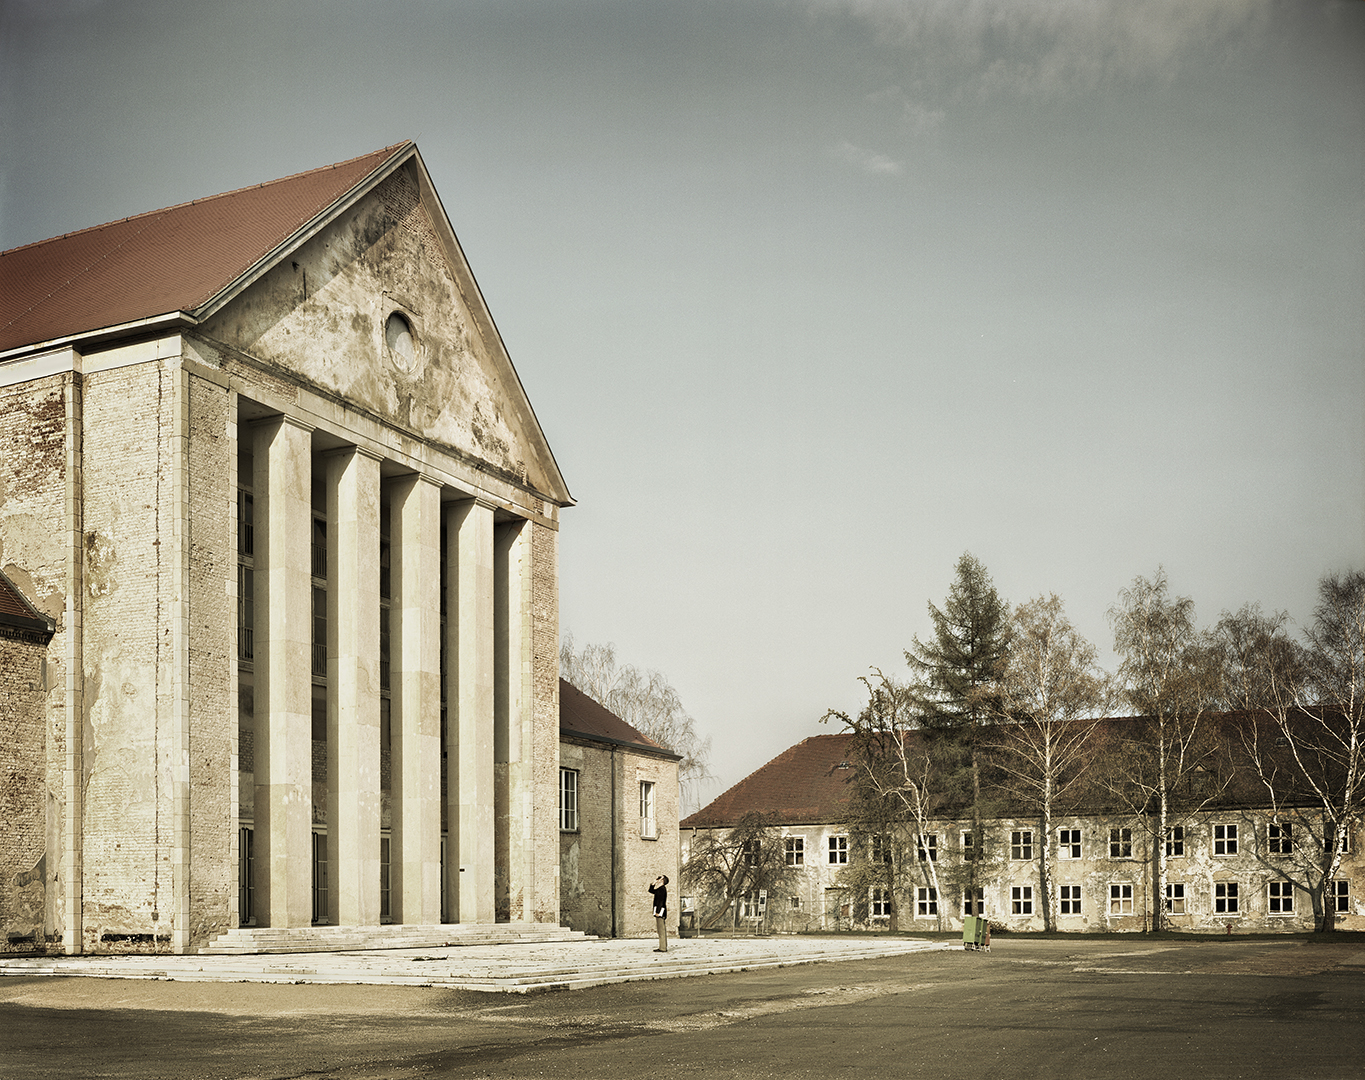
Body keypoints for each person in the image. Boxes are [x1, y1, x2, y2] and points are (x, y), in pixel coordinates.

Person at [648, 875, 669, 952]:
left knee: (661, 930)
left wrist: (658, 912)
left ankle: (663, 948)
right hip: (659, 911)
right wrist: (654, 882)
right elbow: (650, 890)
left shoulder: (662, 889)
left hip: (660, 912)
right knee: (660, 930)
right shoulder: (660, 889)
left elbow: (661, 901)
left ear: (663, 880)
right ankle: (662, 946)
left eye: (661, 878)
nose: (659, 879)